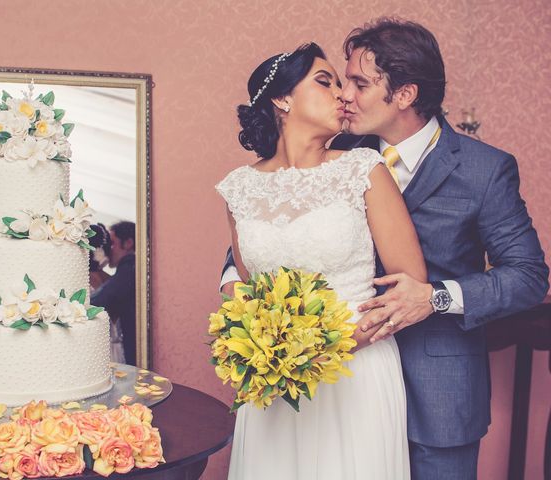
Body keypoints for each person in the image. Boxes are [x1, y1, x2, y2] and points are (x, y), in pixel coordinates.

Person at [222, 18, 549, 480]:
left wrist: (435, 296)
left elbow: (529, 276)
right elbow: (270, 232)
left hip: (438, 395)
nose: (344, 95)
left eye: (358, 82)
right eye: (337, 81)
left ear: (405, 94)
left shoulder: (485, 169)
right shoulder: (340, 152)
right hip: (323, 381)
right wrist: (236, 290)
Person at [216, 42, 425, 479]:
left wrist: (320, 351)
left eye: (346, 84)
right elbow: (249, 289)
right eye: (326, 81)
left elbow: (409, 287)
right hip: (274, 384)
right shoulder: (239, 188)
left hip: (357, 372)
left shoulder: (364, 169)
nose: (343, 94)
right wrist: (267, 351)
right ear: (283, 98)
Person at [91, 220, 137, 365]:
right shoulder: (120, 273)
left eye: (113, 243)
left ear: (128, 243)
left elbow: (101, 300)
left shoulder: (129, 269)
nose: (109, 249)